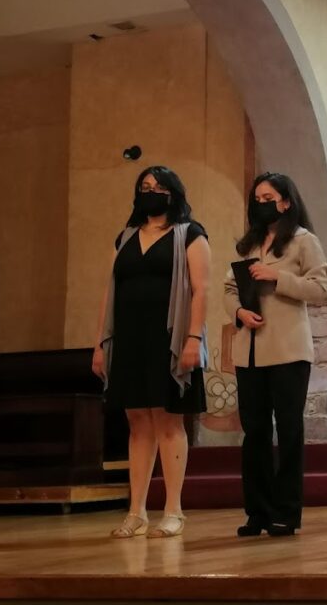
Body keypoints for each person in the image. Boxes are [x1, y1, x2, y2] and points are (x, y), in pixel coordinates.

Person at [92, 166, 210, 538]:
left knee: (167, 421)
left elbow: (201, 289)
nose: (151, 191)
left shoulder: (190, 233)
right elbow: (110, 291)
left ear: (173, 194)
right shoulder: (125, 237)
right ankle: (137, 512)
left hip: (169, 339)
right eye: (144, 186)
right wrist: (100, 345)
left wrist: (193, 338)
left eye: (158, 187)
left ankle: (173, 510)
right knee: (137, 423)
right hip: (129, 339)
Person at [224, 172, 327, 537]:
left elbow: (320, 288)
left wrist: (276, 278)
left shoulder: (303, 240)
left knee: (288, 431)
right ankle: (258, 512)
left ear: (286, 202)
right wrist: (238, 312)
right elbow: (228, 288)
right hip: (249, 351)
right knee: (254, 433)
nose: (261, 204)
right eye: (257, 199)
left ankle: (286, 512)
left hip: (288, 351)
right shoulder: (249, 244)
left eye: (268, 198)